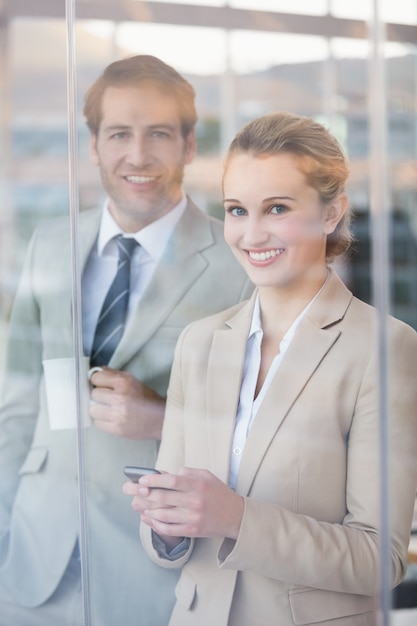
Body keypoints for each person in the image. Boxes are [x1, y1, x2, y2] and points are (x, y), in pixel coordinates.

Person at [124, 111, 417, 626]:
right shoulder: (201, 343)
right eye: (237, 210)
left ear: (332, 214)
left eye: (276, 208)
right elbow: (165, 541)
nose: (251, 234)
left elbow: (381, 561)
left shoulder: (383, 348)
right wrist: (167, 525)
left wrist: (236, 518)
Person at [0, 55, 252, 626]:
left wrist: (164, 419)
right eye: (119, 134)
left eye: (159, 134)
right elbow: (16, 404)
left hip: (157, 573)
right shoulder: (50, 243)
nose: (137, 156)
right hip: (31, 567)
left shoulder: (239, 263)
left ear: (189, 145)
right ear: (94, 145)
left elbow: (279, 430)